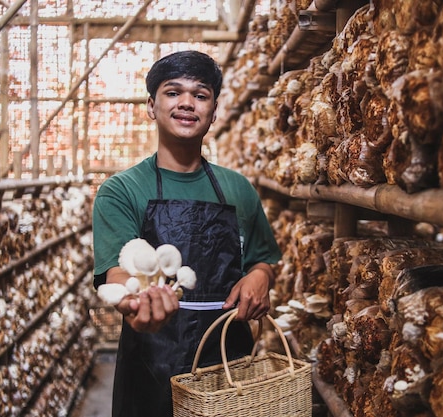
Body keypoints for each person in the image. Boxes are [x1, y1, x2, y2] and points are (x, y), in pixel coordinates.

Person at [92, 50, 282, 417]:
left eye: (200, 95)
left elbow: (263, 257)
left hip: (228, 361)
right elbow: (116, 272)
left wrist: (260, 276)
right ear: (151, 105)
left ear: (213, 111)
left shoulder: (238, 189)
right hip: (151, 365)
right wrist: (137, 304)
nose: (186, 103)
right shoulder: (121, 190)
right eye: (172, 92)